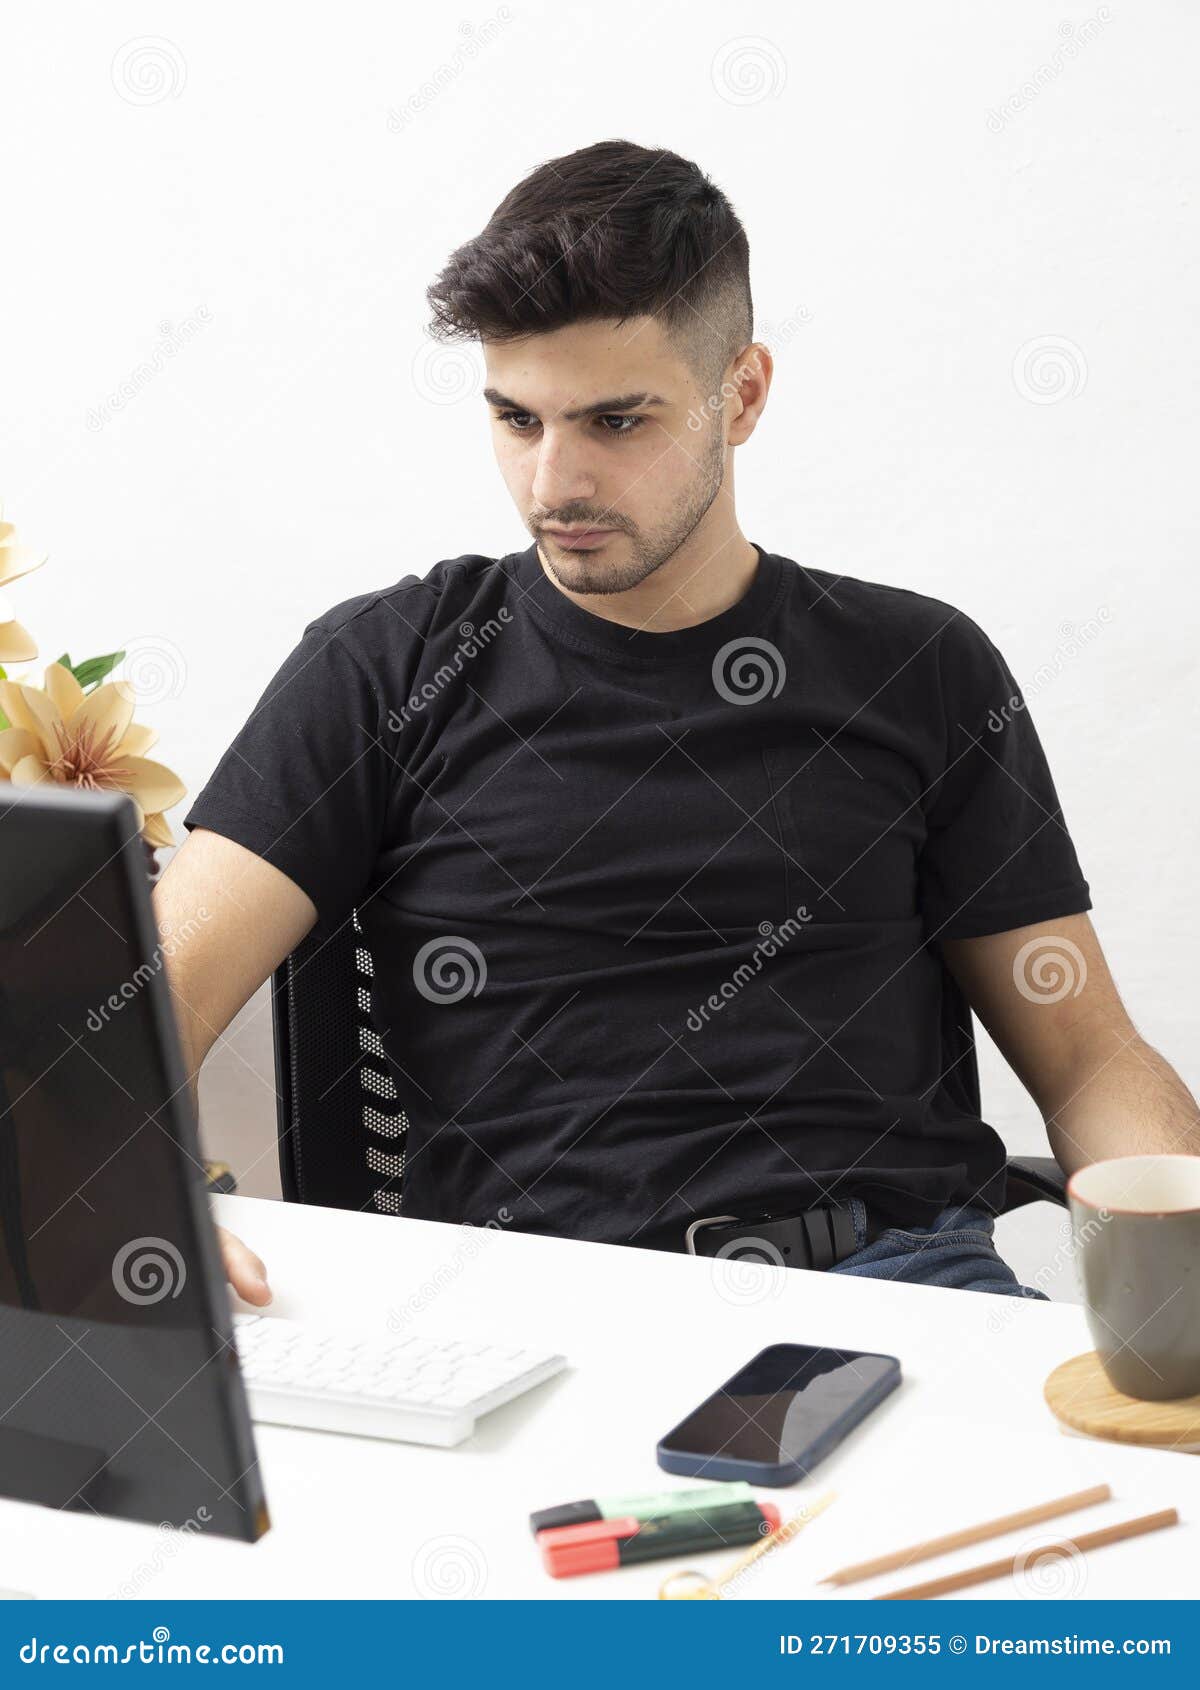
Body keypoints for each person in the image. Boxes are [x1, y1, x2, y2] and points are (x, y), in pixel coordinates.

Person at [154, 139, 1200, 1309]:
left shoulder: (920, 669)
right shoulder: (384, 666)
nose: (554, 482)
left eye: (616, 422)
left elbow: (1091, 1057)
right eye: (516, 418)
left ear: (741, 393)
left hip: (894, 1282)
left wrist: (1177, 1259)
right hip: (530, 1303)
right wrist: (146, 1194)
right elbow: (156, 991)